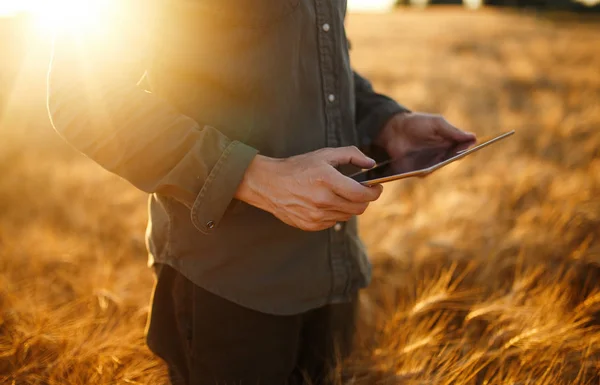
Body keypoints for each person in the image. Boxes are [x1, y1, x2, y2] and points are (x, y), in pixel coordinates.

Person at [47, 1, 475, 384]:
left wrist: (388, 123)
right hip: (230, 291)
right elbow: (81, 95)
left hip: (335, 276)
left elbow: (310, 58)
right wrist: (254, 177)